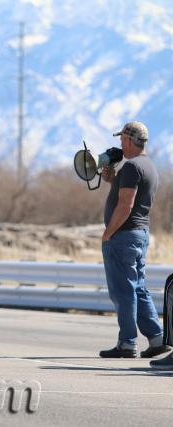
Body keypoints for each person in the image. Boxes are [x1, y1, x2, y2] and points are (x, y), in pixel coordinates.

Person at [97, 121, 170, 359]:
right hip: (140, 235)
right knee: (138, 288)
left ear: (129, 140)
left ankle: (127, 344)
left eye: (122, 140)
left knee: (123, 290)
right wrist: (110, 176)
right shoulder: (147, 166)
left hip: (124, 236)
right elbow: (126, 192)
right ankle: (157, 339)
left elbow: (126, 205)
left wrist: (109, 233)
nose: (119, 143)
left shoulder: (131, 168)